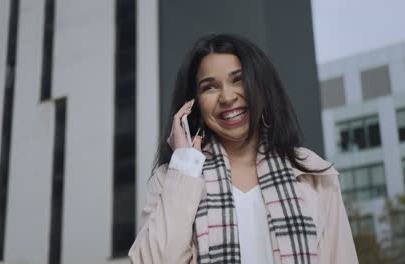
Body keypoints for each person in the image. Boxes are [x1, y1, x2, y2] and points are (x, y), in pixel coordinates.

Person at [128, 33, 358, 264]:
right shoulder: (174, 177)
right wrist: (185, 167)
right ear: (193, 104)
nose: (227, 97)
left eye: (238, 79)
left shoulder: (312, 172)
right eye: (210, 87)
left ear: (262, 87)